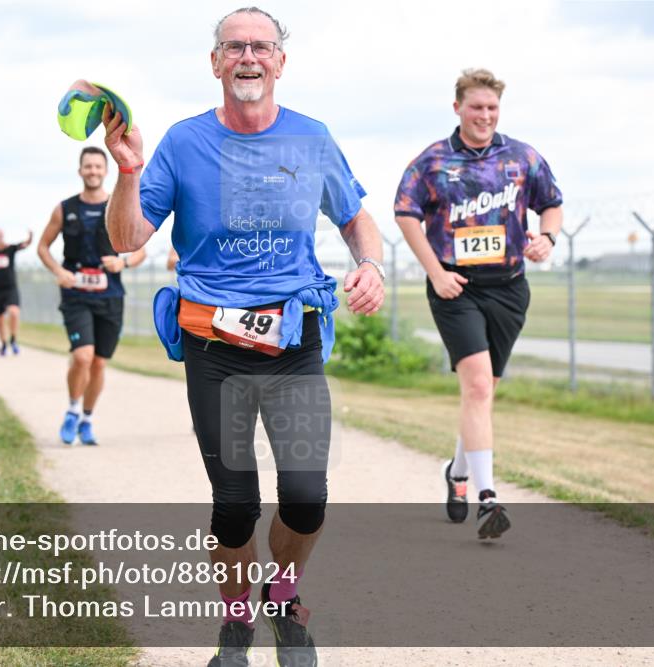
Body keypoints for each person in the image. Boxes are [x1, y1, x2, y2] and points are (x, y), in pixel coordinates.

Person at [102, 8, 384, 665]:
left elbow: (355, 218)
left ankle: (283, 599)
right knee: (234, 505)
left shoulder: (312, 138)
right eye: (234, 47)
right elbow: (126, 240)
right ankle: (236, 624)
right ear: (215, 62)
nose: (248, 57)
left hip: (295, 338)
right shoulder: (181, 142)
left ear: (280, 62)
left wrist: (368, 263)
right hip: (214, 346)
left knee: (307, 498)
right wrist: (128, 170)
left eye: (261, 46)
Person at [394, 68, 563, 539]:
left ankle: (459, 473)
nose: (484, 115)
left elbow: (552, 203)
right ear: (457, 109)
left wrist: (547, 238)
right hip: (456, 288)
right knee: (478, 388)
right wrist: (435, 272)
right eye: (476, 107)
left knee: (485, 389)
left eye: (492, 108)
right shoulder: (431, 162)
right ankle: (489, 500)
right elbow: (405, 213)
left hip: (509, 287)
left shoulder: (522, 157)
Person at [38, 146, 147, 446]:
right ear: (80, 170)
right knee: (82, 356)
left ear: (105, 171)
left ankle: (87, 418)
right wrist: (59, 272)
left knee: (99, 362)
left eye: (98, 167)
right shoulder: (64, 208)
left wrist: (122, 261)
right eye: (88, 167)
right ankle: (72, 410)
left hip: (110, 294)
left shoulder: (119, 206)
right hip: (75, 294)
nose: (93, 171)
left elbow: (141, 250)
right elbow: (42, 247)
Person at [0, 229, 33, 356]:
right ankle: (3, 343)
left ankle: (13, 339)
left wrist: (30, 237)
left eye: (0, 236)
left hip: (10, 288)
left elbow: (24, 245)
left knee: (14, 312)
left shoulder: (10, 249)